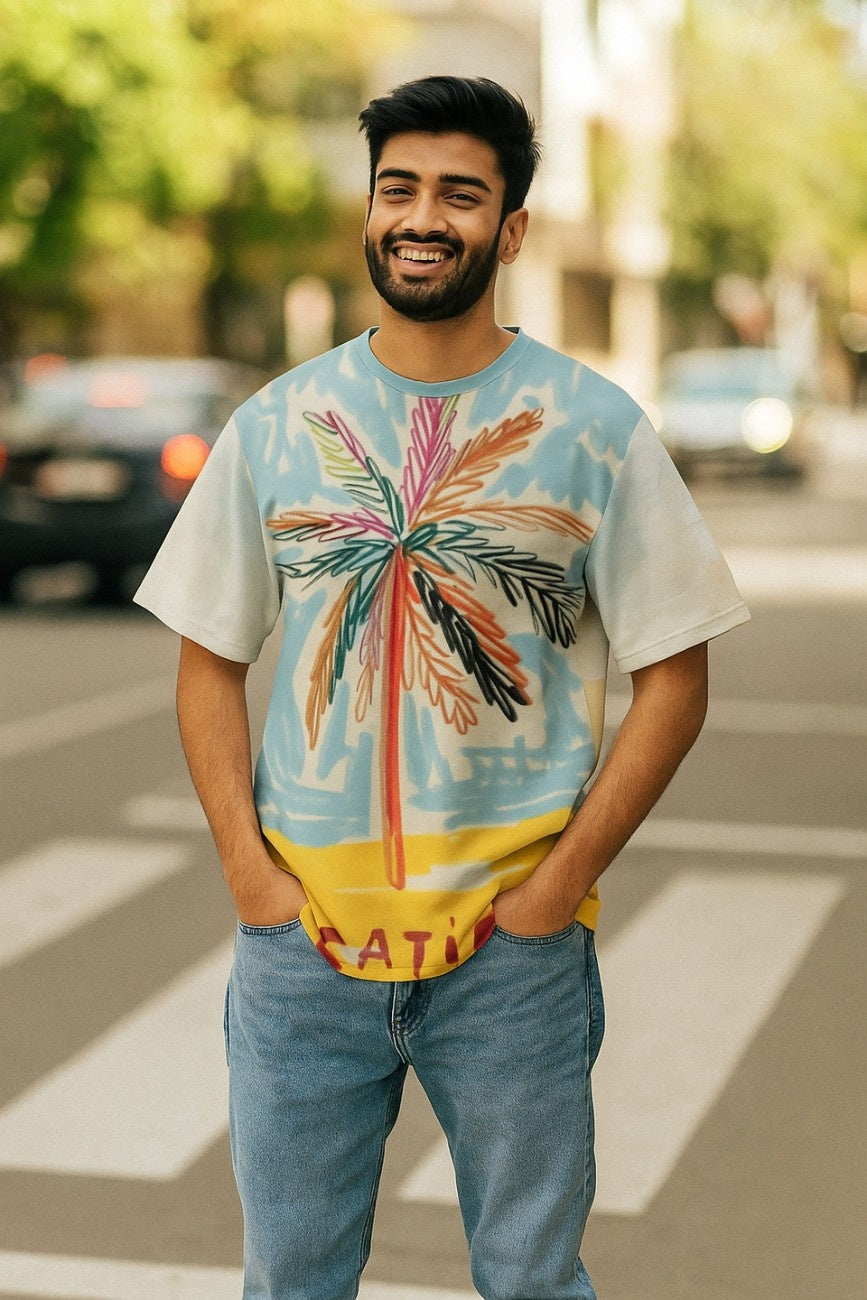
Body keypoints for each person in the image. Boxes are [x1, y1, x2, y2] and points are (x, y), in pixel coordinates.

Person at [135, 75, 749, 1300]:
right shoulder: (279, 422)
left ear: (510, 231)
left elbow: (676, 676)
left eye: (460, 194)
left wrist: (559, 886)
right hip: (304, 948)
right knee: (291, 1282)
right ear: (369, 213)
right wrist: (252, 880)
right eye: (398, 188)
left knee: (530, 1280)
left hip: (509, 957)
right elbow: (209, 661)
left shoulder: (594, 427)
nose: (423, 217)